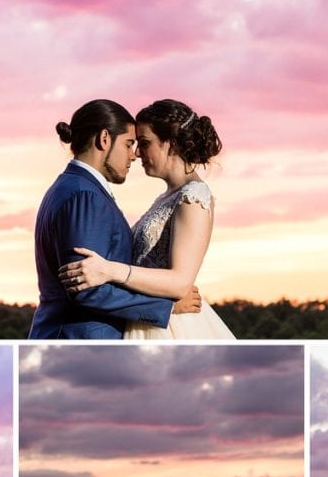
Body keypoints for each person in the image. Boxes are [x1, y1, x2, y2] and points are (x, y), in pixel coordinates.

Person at [59, 99, 234, 339]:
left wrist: (110, 271)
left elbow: (181, 281)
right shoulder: (166, 197)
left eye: (144, 143)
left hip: (171, 327)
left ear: (171, 144)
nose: (137, 153)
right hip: (144, 321)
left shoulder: (194, 197)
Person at [29, 99, 201, 339]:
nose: (133, 155)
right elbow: (85, 289)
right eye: (129, 144)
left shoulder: (73, 187)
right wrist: (166, 307)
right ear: (104, 139)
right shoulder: (84, 195)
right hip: (83, 339)